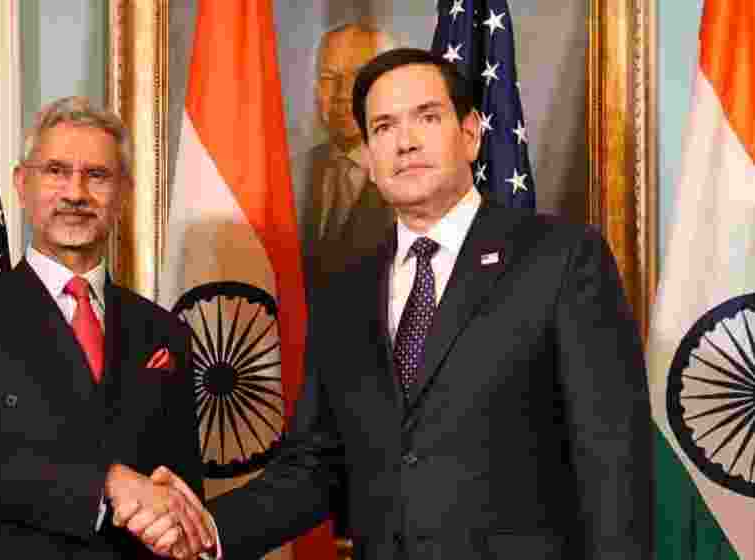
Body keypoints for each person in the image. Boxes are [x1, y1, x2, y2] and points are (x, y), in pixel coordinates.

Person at [130, 48, 652, 559]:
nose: (404, 142)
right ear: (371, 158)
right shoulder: (345, 292)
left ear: (469, 135)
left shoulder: (560, 259)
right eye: (383, 127)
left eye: (426, 117)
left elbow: (612, 460)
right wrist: (206, 528)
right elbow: (318, 465)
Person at [0, 96, 212, 559]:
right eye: (55, 171)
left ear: (124, 193)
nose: (75, 192)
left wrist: (181, 530)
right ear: (21, 183)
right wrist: (106, 482)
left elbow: (179, 488)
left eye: (97, 175)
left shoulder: (164, 332)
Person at [300, 23, 396, 290]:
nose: (342, 93)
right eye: (329, 78)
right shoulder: (292, 173)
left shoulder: (418, 173)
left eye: (358, 77)